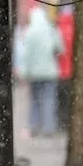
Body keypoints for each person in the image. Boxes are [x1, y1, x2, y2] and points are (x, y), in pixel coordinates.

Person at [16, 7, 64, 138]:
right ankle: (49, 127)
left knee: (35, 101)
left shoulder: (30, 32)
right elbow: (60, 49)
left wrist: (24, 73)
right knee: (50, 100)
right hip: (50, 73)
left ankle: (34, 127)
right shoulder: (51, 30)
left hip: (35, 73)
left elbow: (26, 55)